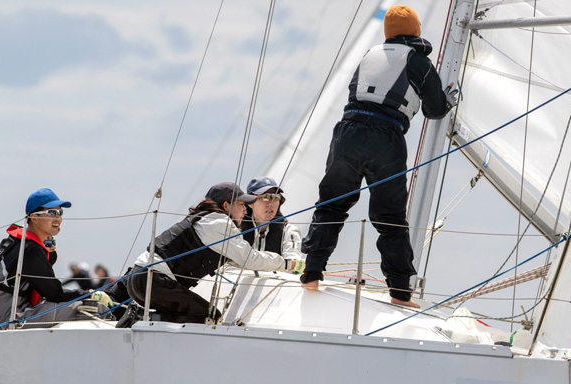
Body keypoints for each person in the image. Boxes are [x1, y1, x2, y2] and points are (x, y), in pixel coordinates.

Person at [300, 5, 457, 308]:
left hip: (347, 131)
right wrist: (449, 101)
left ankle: (312, 272)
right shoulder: (418, 62)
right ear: (416, 31)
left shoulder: (369, 55)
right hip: (385, 137)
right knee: (390, 218)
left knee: (332, 205)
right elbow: (435, 110)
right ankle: (400, 292)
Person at [126, 182, 304, 324]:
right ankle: (141, 318)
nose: (244, 210)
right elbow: (248, 259)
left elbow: (234, 260)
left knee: (193, 314)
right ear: (226, 205)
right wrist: (287, 263)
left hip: (141, 278)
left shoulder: (206, 219)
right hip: (154, 281)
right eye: (241, 205)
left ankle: (142, 318)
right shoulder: (220, 223)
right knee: (208, 317)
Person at [0, 188, 115, 329]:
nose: (58, 218)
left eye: (60, 212)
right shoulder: (30, 249)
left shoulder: (17, 243)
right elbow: (54, 293)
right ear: (34, 218)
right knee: (93, 308)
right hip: (11, 316)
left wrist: (49, 254)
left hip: (1, 313)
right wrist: (89, 294)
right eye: (52, 213)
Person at [240, 176, 303, 261]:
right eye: (265, 197)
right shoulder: (235, 229)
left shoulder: (289, 231)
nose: (271, 203)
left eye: (275, 197)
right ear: (250, 203)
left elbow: (293, 259)